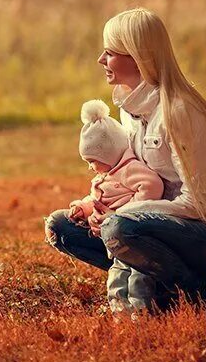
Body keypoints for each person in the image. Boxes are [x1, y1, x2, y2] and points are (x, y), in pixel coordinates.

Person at [44, 8, 206, 313]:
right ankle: (162, 290)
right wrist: (101, 210)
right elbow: (133, 177)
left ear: (137, 57)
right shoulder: (128, 109)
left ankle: (198, 297)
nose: (101, 60)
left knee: (119, 229)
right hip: (151, 226)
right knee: (61, 226)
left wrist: (119, 217)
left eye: (110, 52)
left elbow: (195, 204)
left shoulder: (179, 111)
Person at [67, 98, 163, 311]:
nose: (91, 167)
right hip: (115, 242)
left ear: (107, 153)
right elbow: (96, 201)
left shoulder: (129, 169)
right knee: (117, 275)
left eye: (92, 161)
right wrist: (83, 208)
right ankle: (121, 313)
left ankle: (142, 313)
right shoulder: (107, 176)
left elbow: (153, 186)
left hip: (133, 237)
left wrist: (119, 214)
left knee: (139, 277)